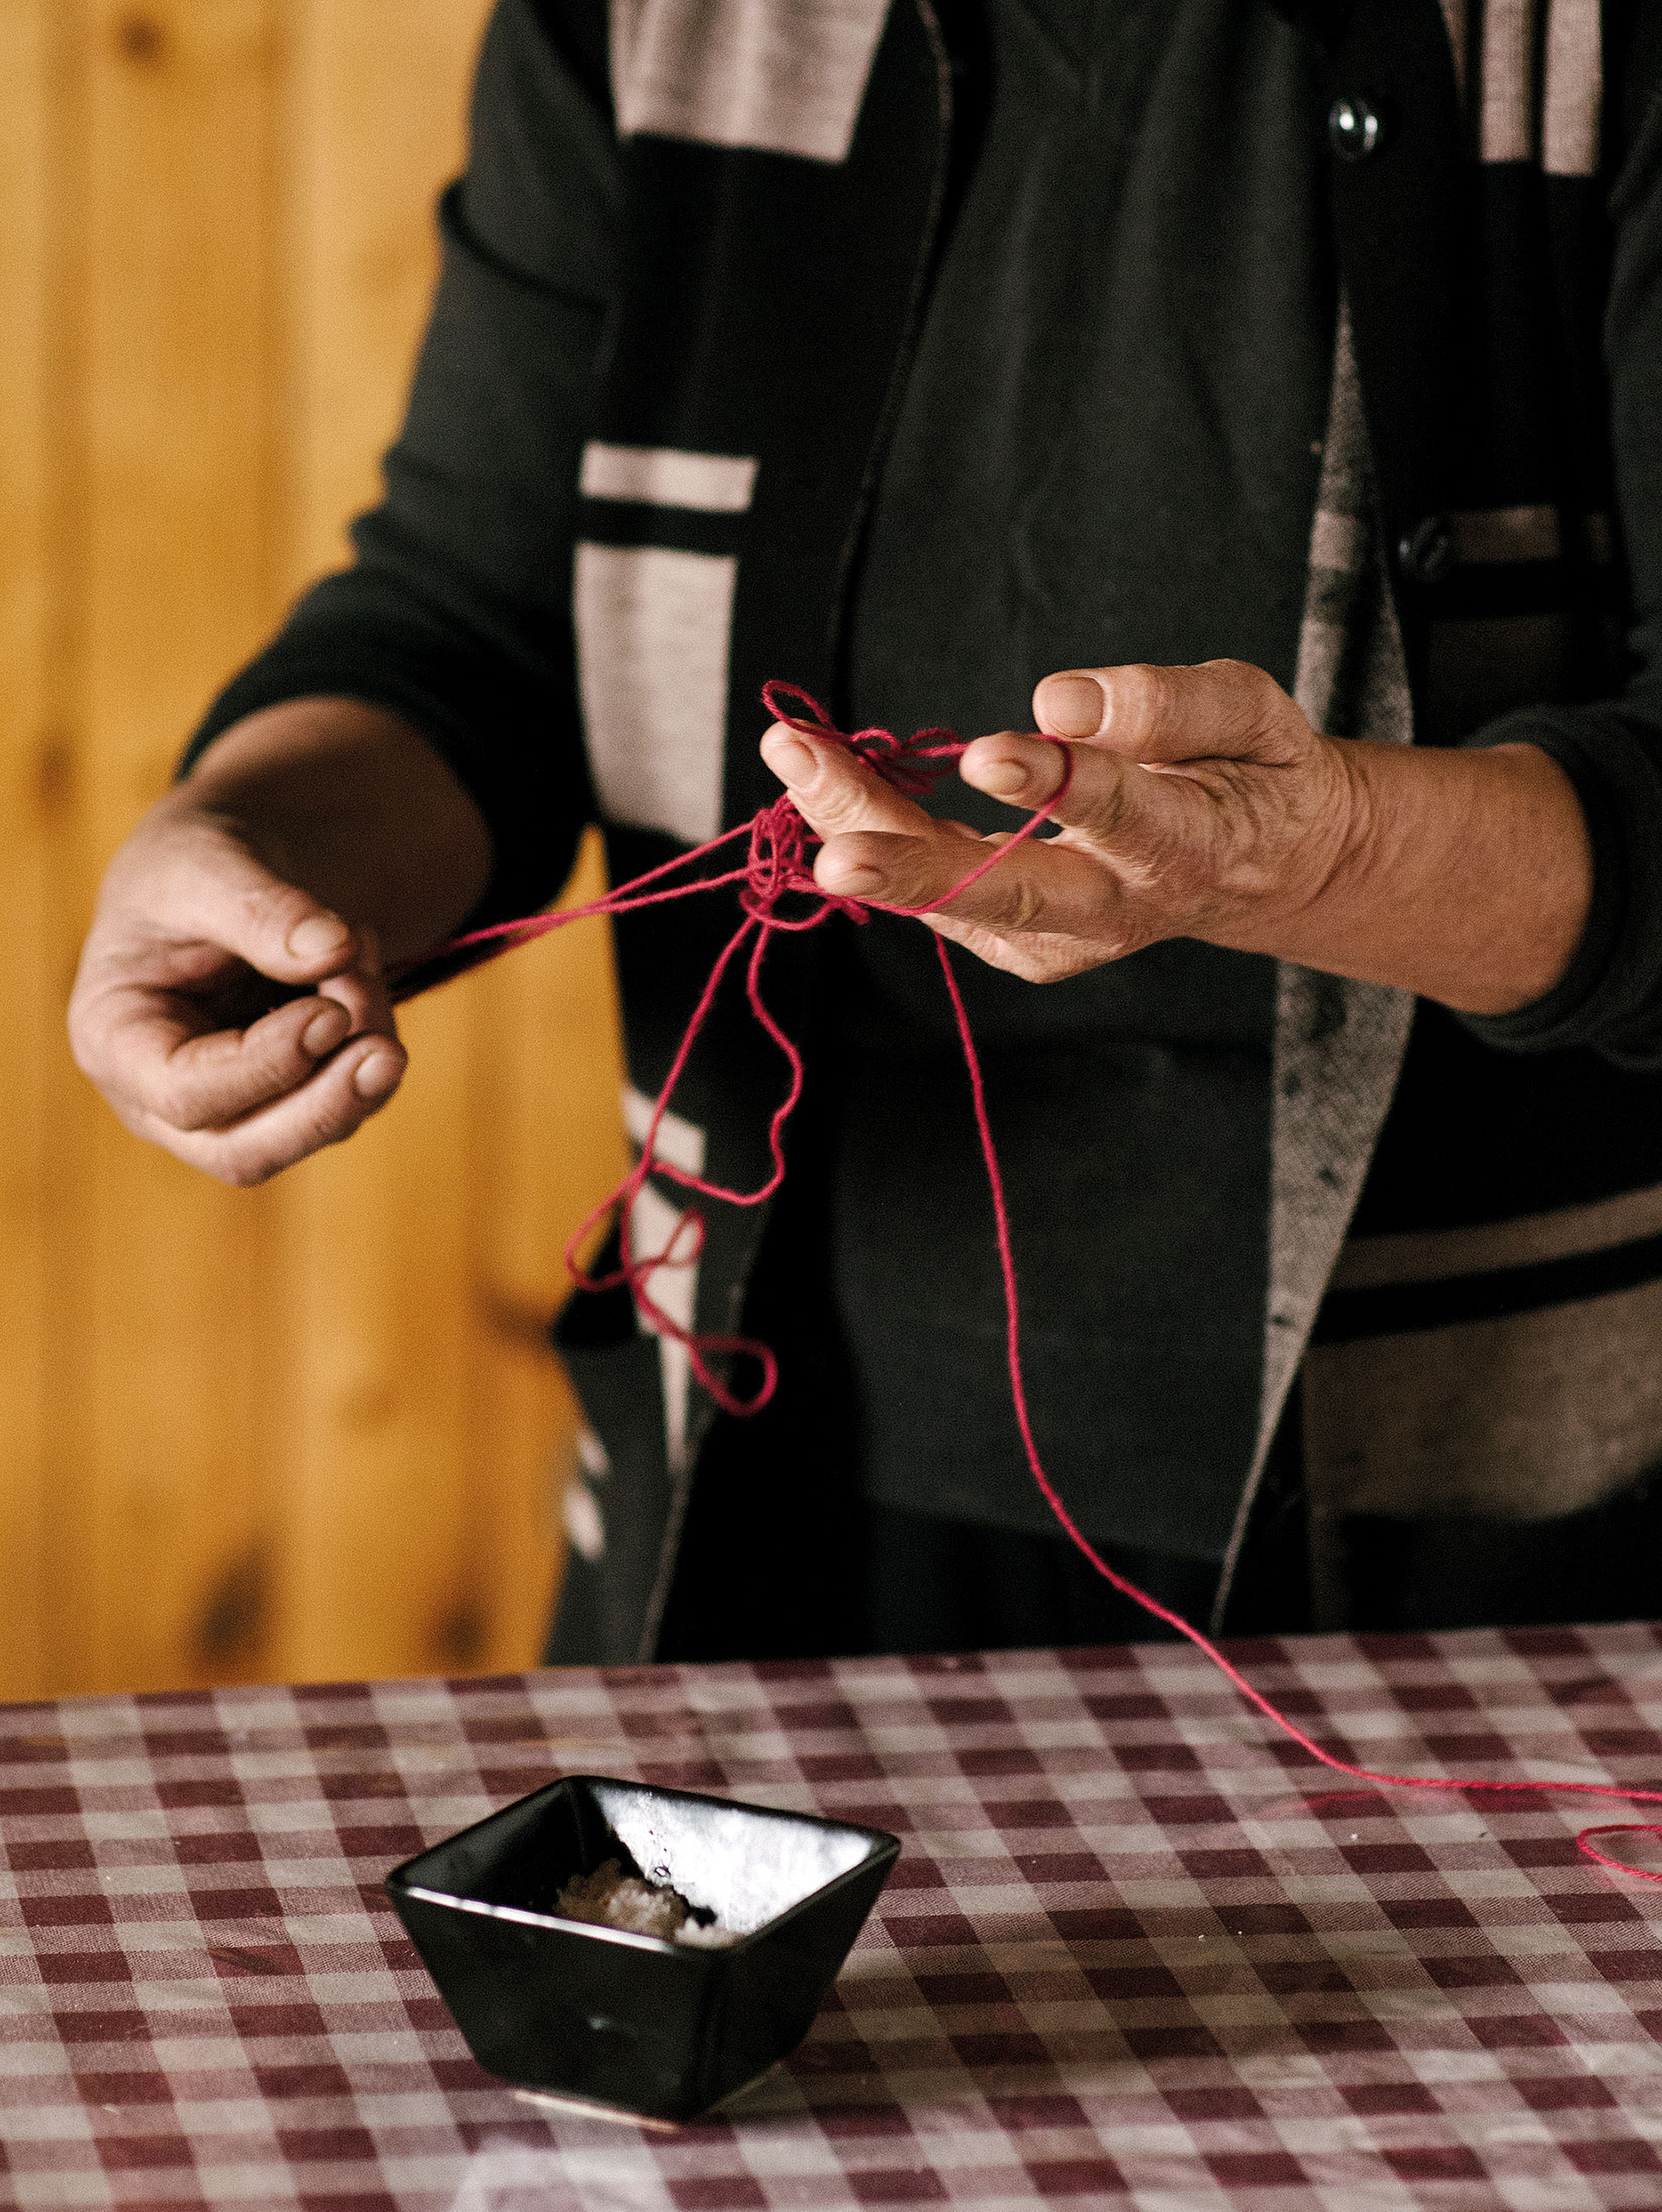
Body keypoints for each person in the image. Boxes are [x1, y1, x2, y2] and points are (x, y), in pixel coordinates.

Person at [68, 0, 1662, 1668]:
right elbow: (471, 624)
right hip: (758, 1466)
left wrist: (1314, 861)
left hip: (1498, 1541)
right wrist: (246, 839)